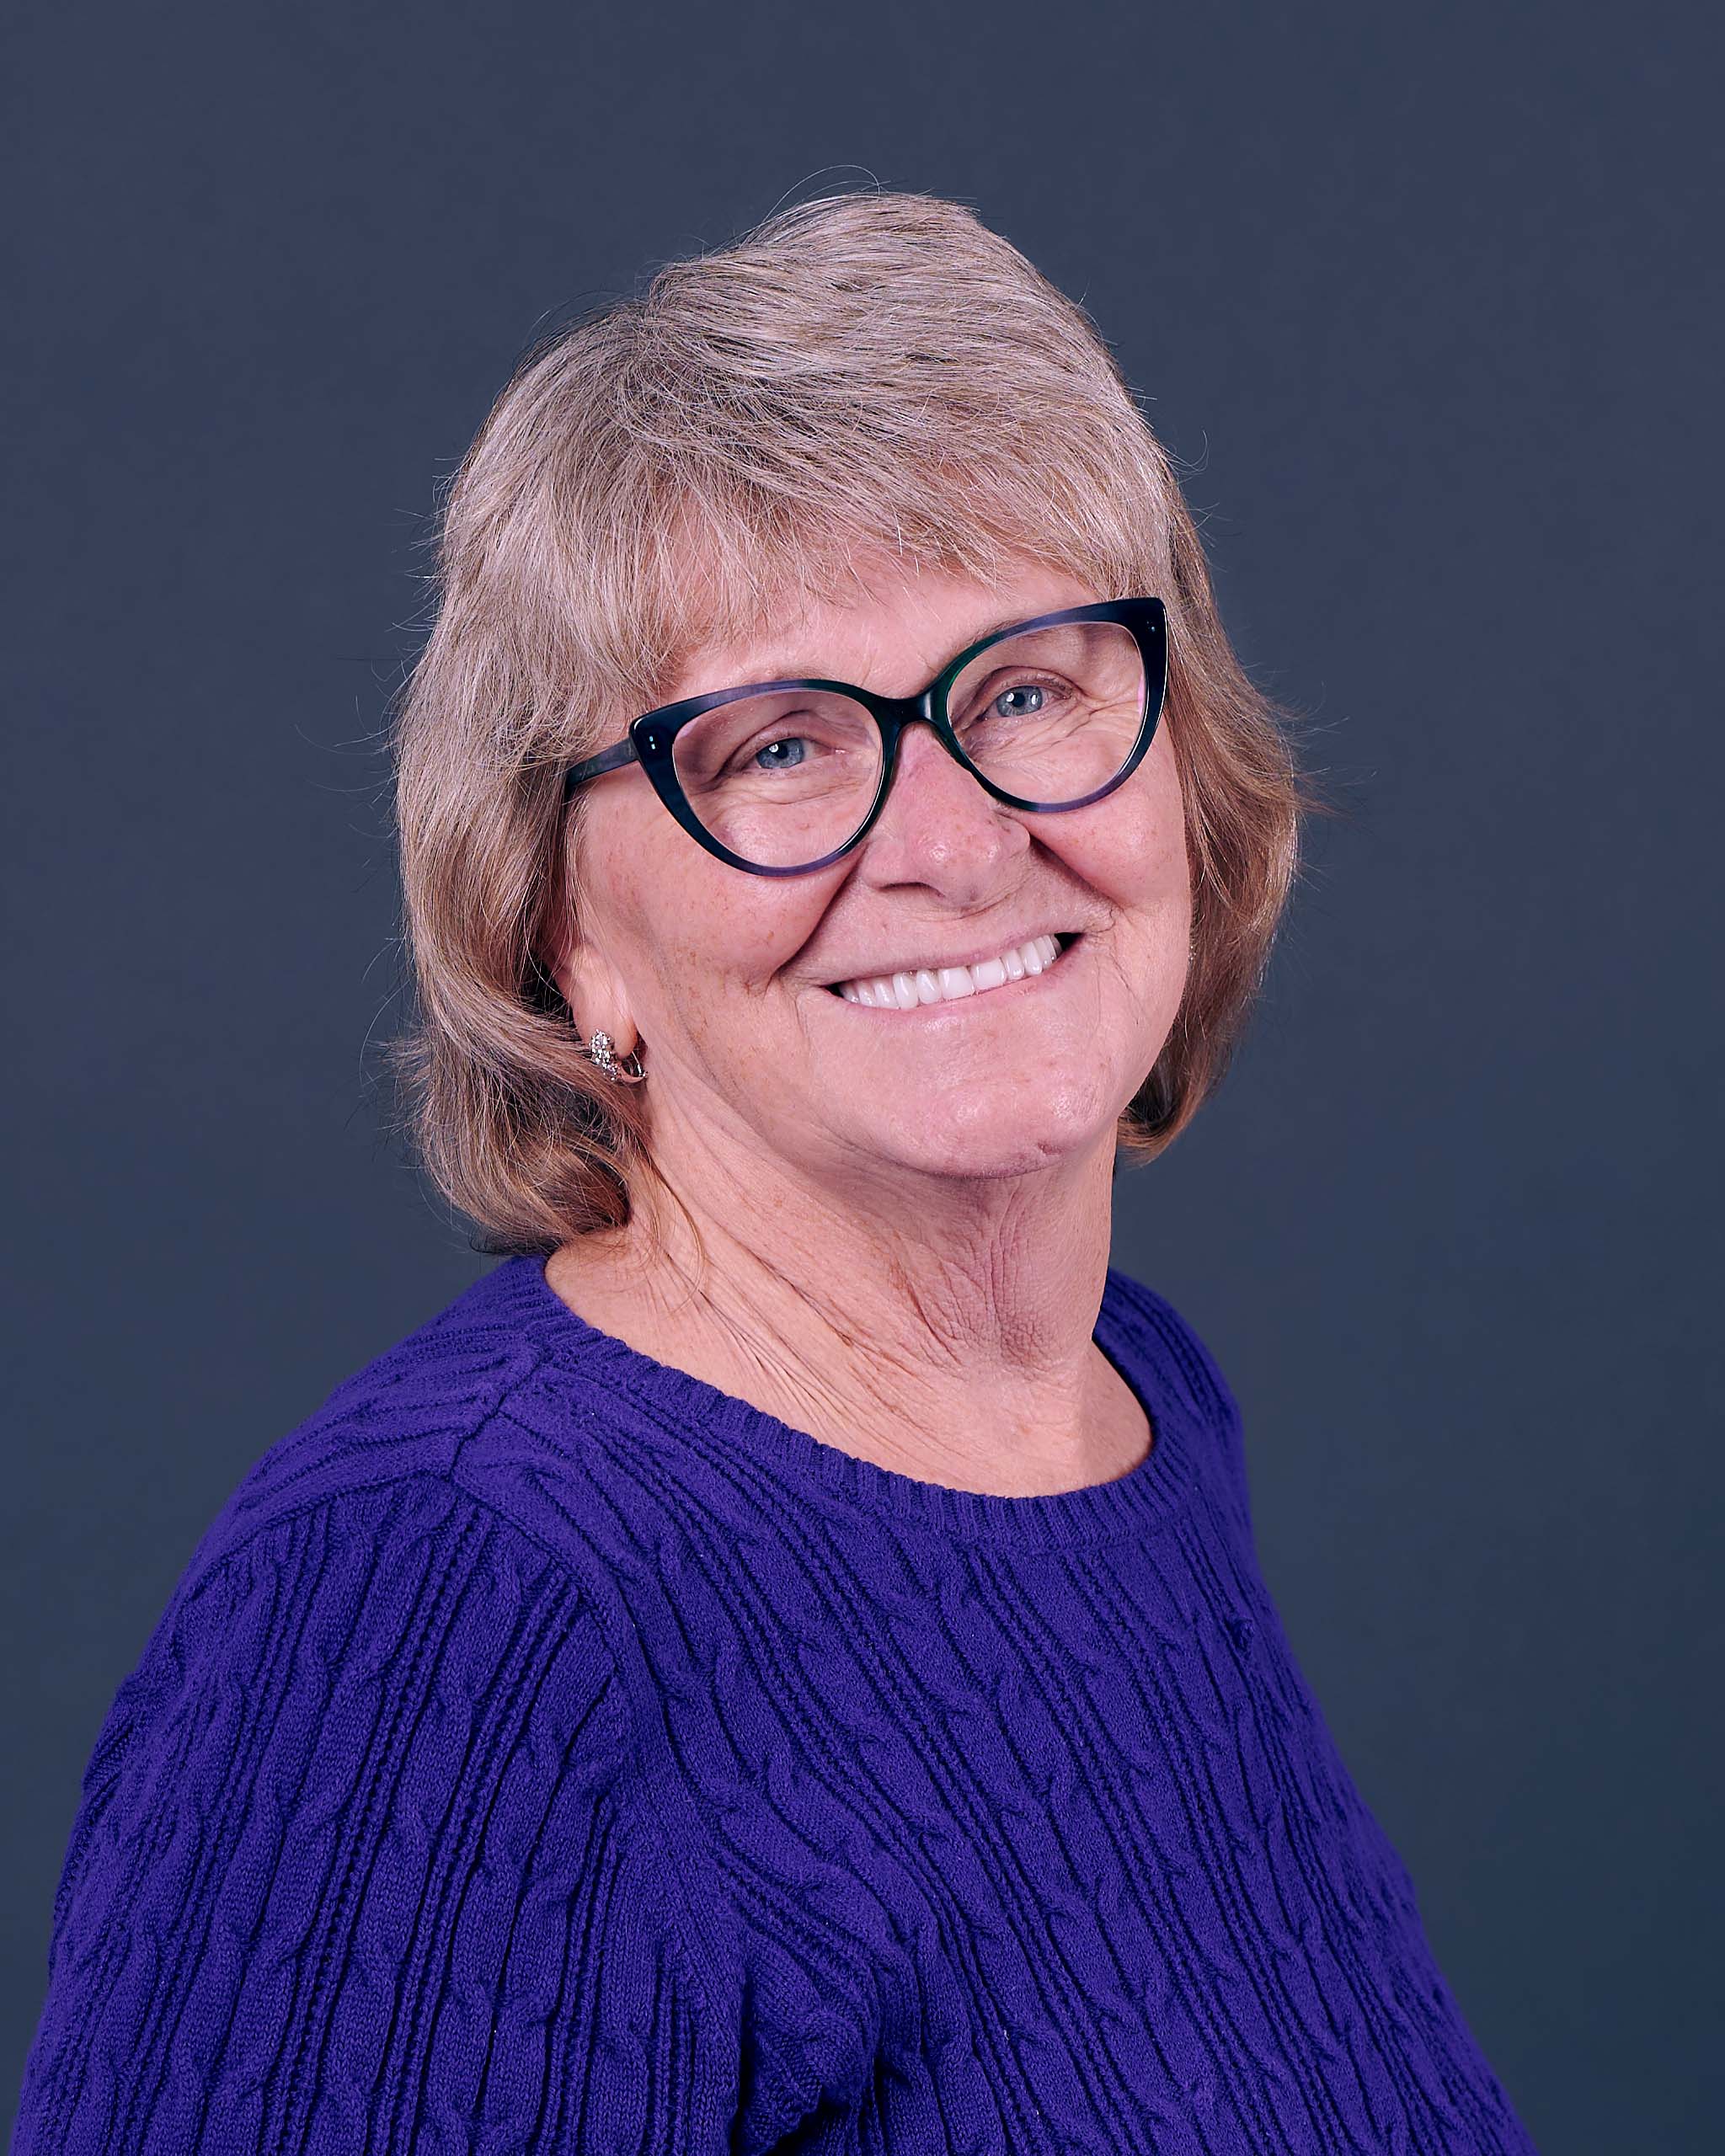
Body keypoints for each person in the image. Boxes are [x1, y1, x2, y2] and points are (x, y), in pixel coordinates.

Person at [13, 191, 1541, 2153]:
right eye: (779, 750)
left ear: (1182, 756)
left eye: (1025, 689)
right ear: (568, 927)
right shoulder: (452, 1607)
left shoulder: (1125, 1411)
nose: (954, 837)